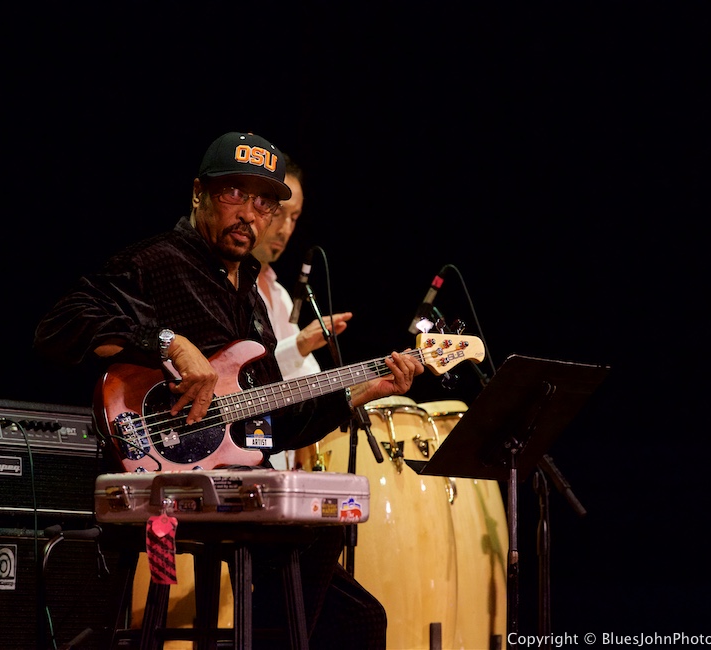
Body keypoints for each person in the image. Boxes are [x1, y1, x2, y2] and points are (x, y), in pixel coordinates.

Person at [33, 131, 422, 648]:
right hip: (162, 476)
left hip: (234, 476)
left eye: (264, 202)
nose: (250, 215)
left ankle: (265, 634)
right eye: (234, 194)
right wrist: (170, 343)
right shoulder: (156, 262)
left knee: (361, 620)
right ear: (199, 193)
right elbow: (58, 328)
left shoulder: (252, 296)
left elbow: (271, 422)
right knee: (319, 533)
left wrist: (359, 391)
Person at [251, 156, 352, 470]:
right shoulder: (230, 289)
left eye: (295, 218)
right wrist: (301, 343)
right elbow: (249, 380)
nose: (285, 229)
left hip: (284, 457)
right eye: (280, 213)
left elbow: (306, 379)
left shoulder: (280, 295)